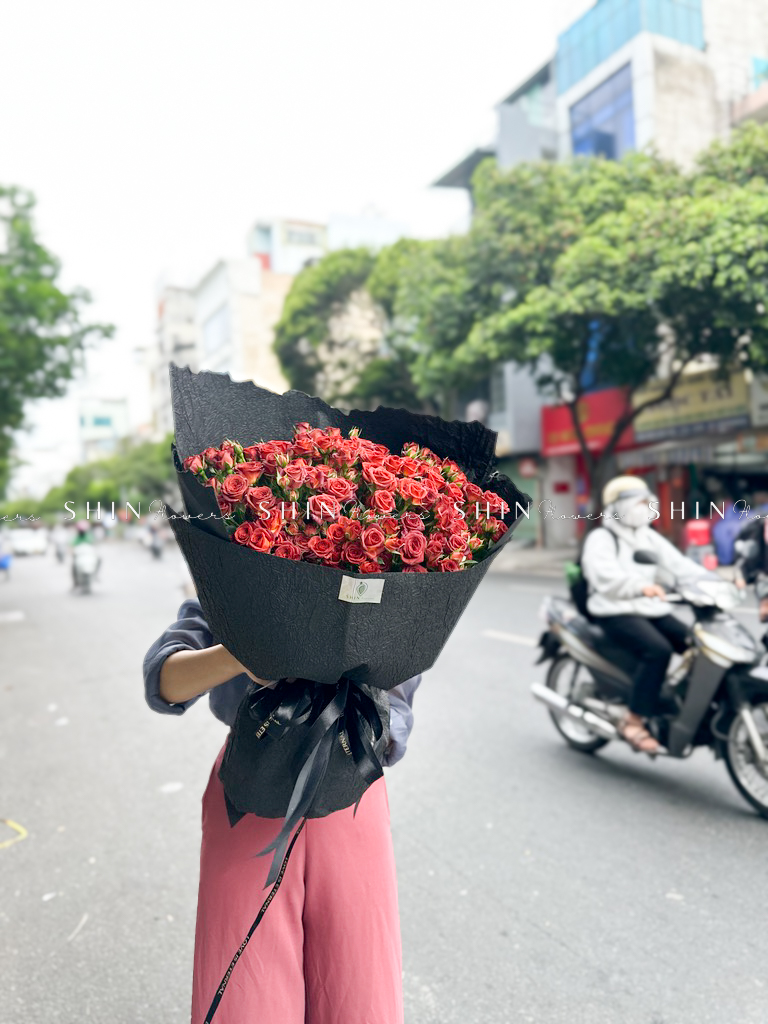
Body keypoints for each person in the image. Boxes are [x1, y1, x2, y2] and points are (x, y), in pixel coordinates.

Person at [143, 596, 421, 1024]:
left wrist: (362, 718)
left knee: (360, 992)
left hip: (350, 798)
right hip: (250, 796)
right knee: (246, 997)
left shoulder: (392, 587)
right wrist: (242, 655)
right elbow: (163, 682)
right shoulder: (237, 578)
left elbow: (398, 709)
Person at [581, 475, 711, 755]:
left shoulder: (648, 536)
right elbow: (604, 577)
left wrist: (714, 582)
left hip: (651, 608)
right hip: (614, 609)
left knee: (698, 643)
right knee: (657, 650)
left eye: (646, 502)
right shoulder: (601, 538)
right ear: (617, 507)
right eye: (637, 503)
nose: (644, 508)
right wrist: (640, 586)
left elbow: (679, 566)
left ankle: (679, 703)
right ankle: (634, 719)